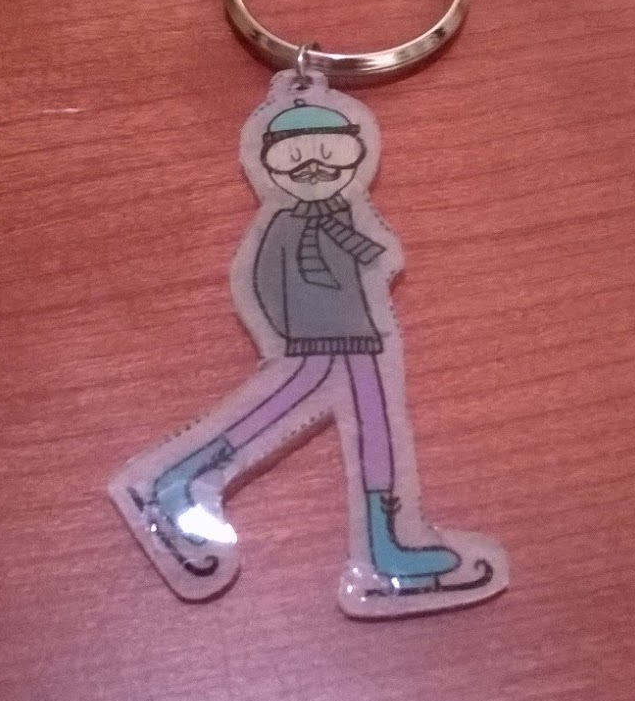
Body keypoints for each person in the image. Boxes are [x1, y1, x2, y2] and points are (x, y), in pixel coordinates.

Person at [111, 77, 507, 617]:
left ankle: (384, 542)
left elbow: (380, 259)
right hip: (323, 338)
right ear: (272, 165)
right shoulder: (284, 224)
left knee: (368, 424)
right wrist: (293, 333)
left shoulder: (340, 214)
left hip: (357, 333)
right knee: (303, 412)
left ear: (353, 156)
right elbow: (263, 283)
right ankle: (175, 480)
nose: (314, 167)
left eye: (330, 154)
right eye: (296, 158)